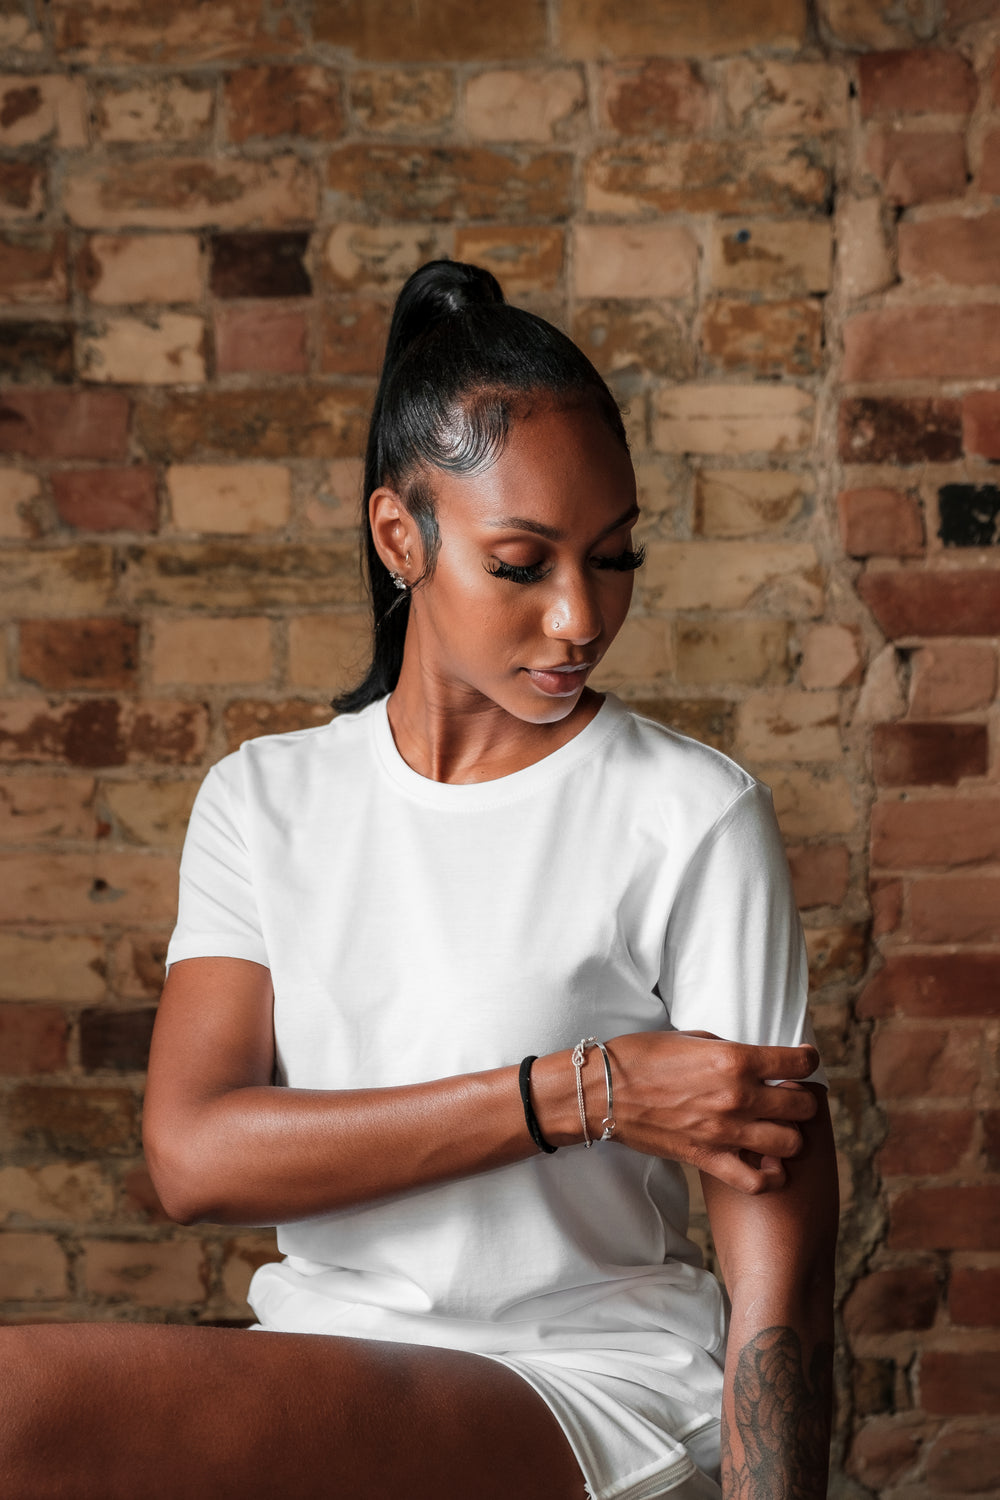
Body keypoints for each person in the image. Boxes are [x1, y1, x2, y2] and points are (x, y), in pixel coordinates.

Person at [0, 261, 837, 1500]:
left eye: (613, 559)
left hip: (585, 1387)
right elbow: (194, 1156)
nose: (578, 618)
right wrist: (574, 1094)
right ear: (403, 536)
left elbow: (775, 1237)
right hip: (325, 1362)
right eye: (522, 564)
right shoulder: (265, 800)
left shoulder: (690, 814)